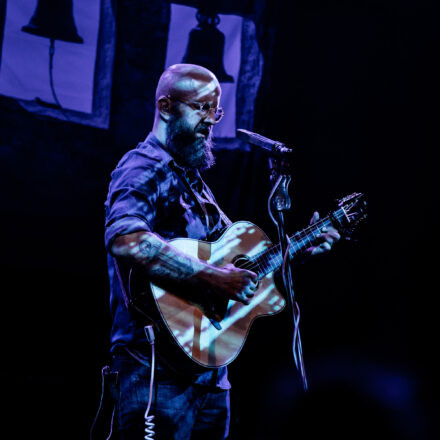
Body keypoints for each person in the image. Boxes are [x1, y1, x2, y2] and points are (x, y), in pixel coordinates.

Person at [104, 63, 340, 439]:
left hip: (209, 373)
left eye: (216, 110)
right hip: (155, 369)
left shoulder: (193, 181)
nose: (211, 121)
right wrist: (213, 278)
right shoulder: (142, 167)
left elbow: (239, 264)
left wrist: (300, 247)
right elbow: (126, 239)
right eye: (201, 108)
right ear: (165, 106)